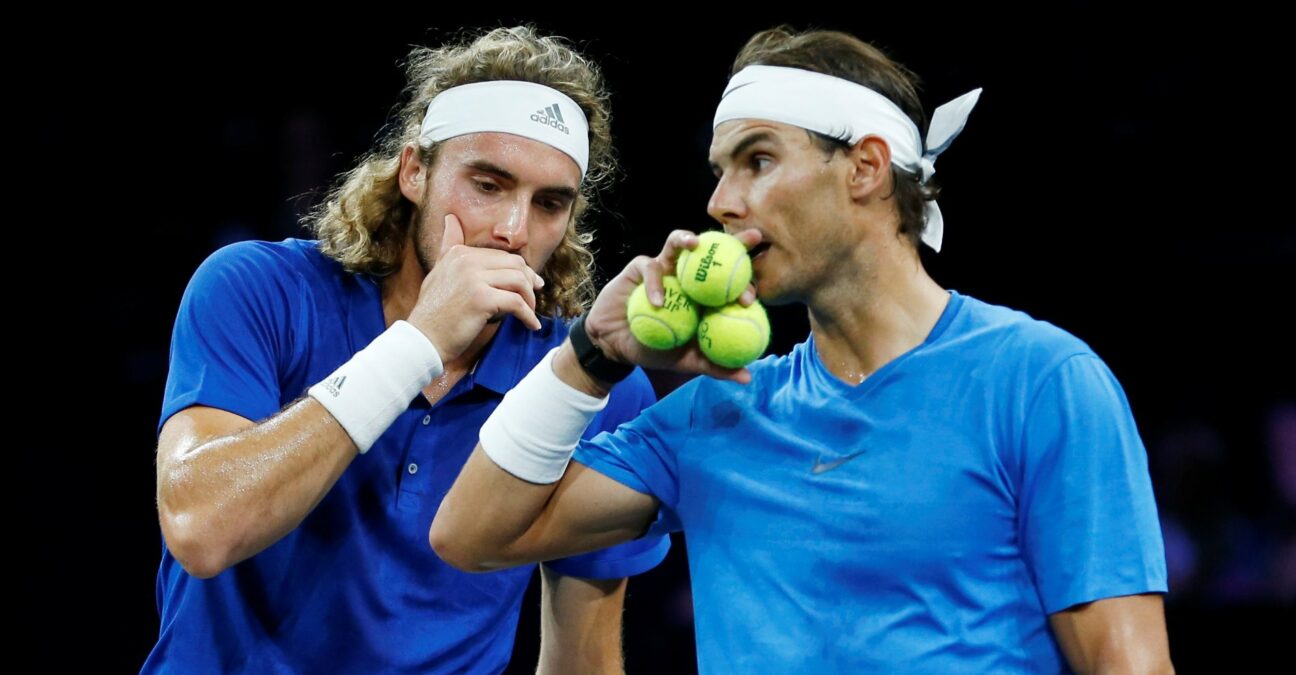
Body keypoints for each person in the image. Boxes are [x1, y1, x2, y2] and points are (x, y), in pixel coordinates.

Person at [430, 27, 1172, 672]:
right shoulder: (715, 413)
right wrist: (589, 354)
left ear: (866, 168)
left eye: (756, 161)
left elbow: (1127, 662)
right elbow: (469, 534)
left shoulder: (1041, 380)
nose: (722, 201)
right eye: (719, 170)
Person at [148, 26, 668, 674]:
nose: (513, 230)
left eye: (549, 203)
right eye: (488, 184)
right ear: (414, 169)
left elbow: (583, 660)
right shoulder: (257, 289)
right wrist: (418, 344)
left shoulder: (588, 384)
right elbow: (201, 526)